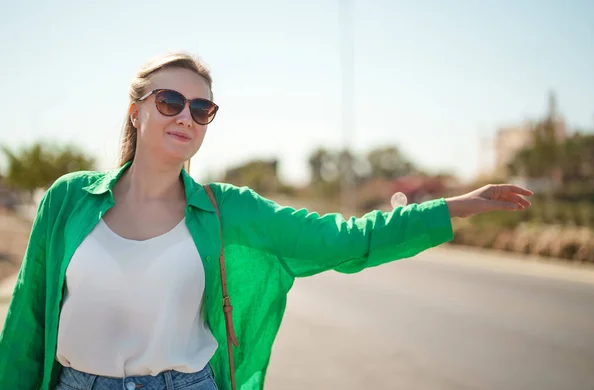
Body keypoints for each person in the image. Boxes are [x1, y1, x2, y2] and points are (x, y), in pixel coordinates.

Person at [0, 52, 533, 390]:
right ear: (137, 110)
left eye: (201, 109)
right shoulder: (69, 199)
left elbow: (344, 239)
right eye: (169, 101)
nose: (185, 115)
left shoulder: (229, 210)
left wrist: (454, 206)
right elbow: (26, 323)